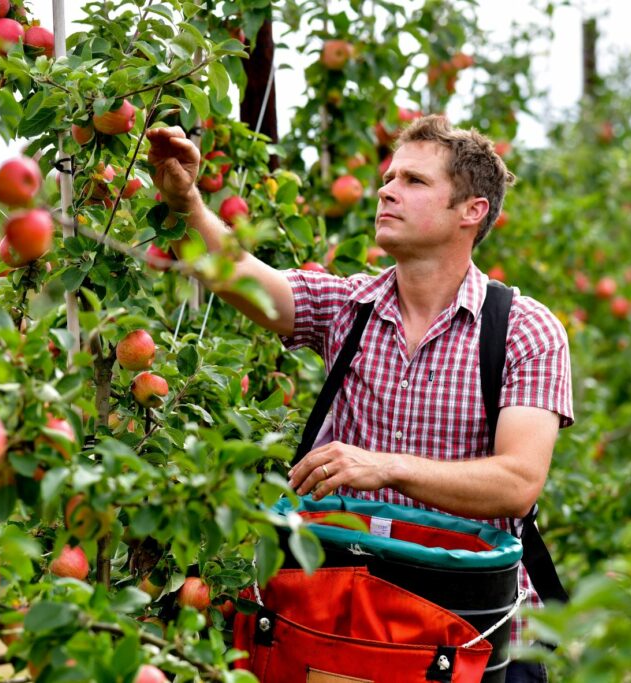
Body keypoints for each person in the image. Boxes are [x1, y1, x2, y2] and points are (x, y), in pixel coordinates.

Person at [147, 114, 573, 683]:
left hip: (468, 627)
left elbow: (518, 484)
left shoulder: (523, 331)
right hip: (343, 616)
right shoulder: (348, 309)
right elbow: (236, 273)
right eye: (389, 176)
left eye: (414, 182)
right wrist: (189, 204)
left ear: (472, 210)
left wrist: (384, 468)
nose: (386, 190)